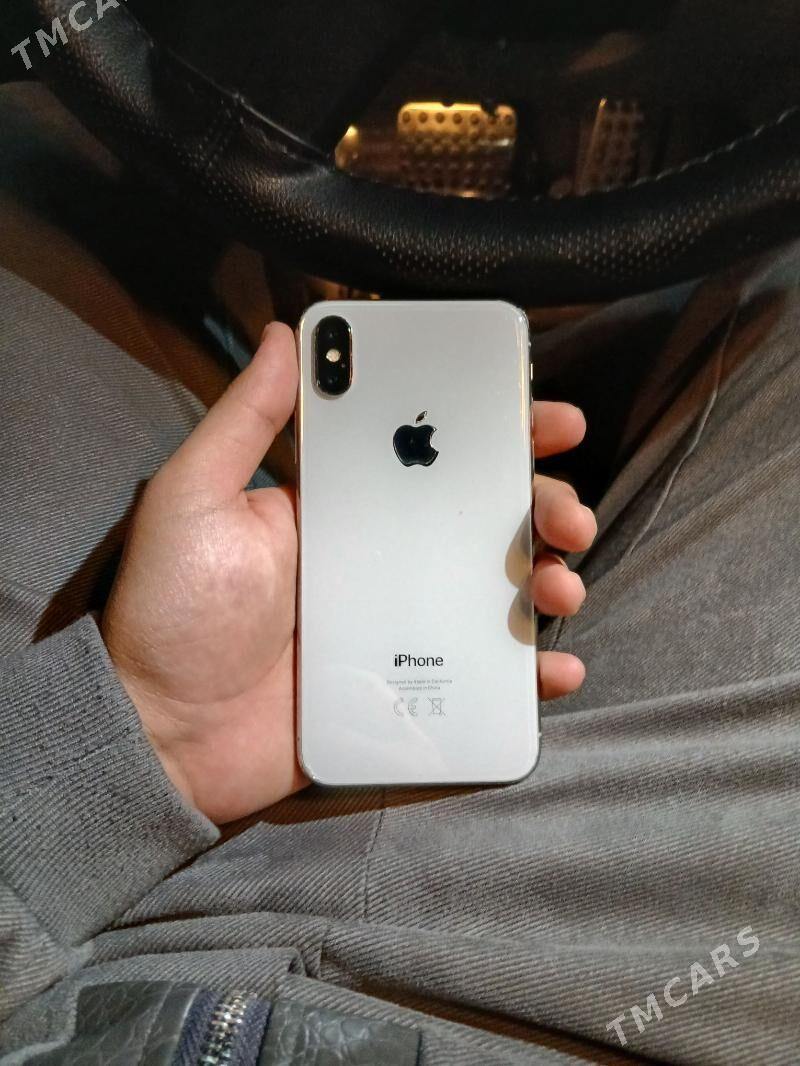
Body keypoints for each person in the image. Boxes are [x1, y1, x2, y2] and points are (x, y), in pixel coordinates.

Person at [1, 84, 799, 1066]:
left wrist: (149, 739)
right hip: (549, 968)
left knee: (38, 133)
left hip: (125, 919)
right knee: (777, 280)